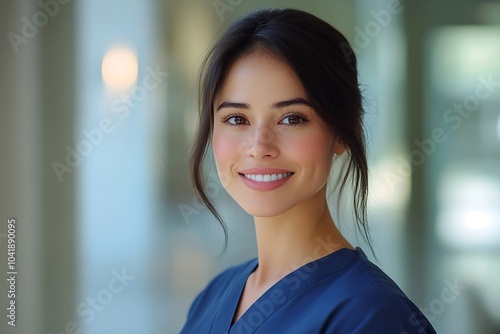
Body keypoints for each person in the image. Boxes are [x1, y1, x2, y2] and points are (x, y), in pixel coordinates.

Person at [180, 8, 437, 334]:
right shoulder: (212, 297)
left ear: (345, 132)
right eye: (237, 119)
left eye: (292, 118)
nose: (259, 146)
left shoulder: (373, 316)